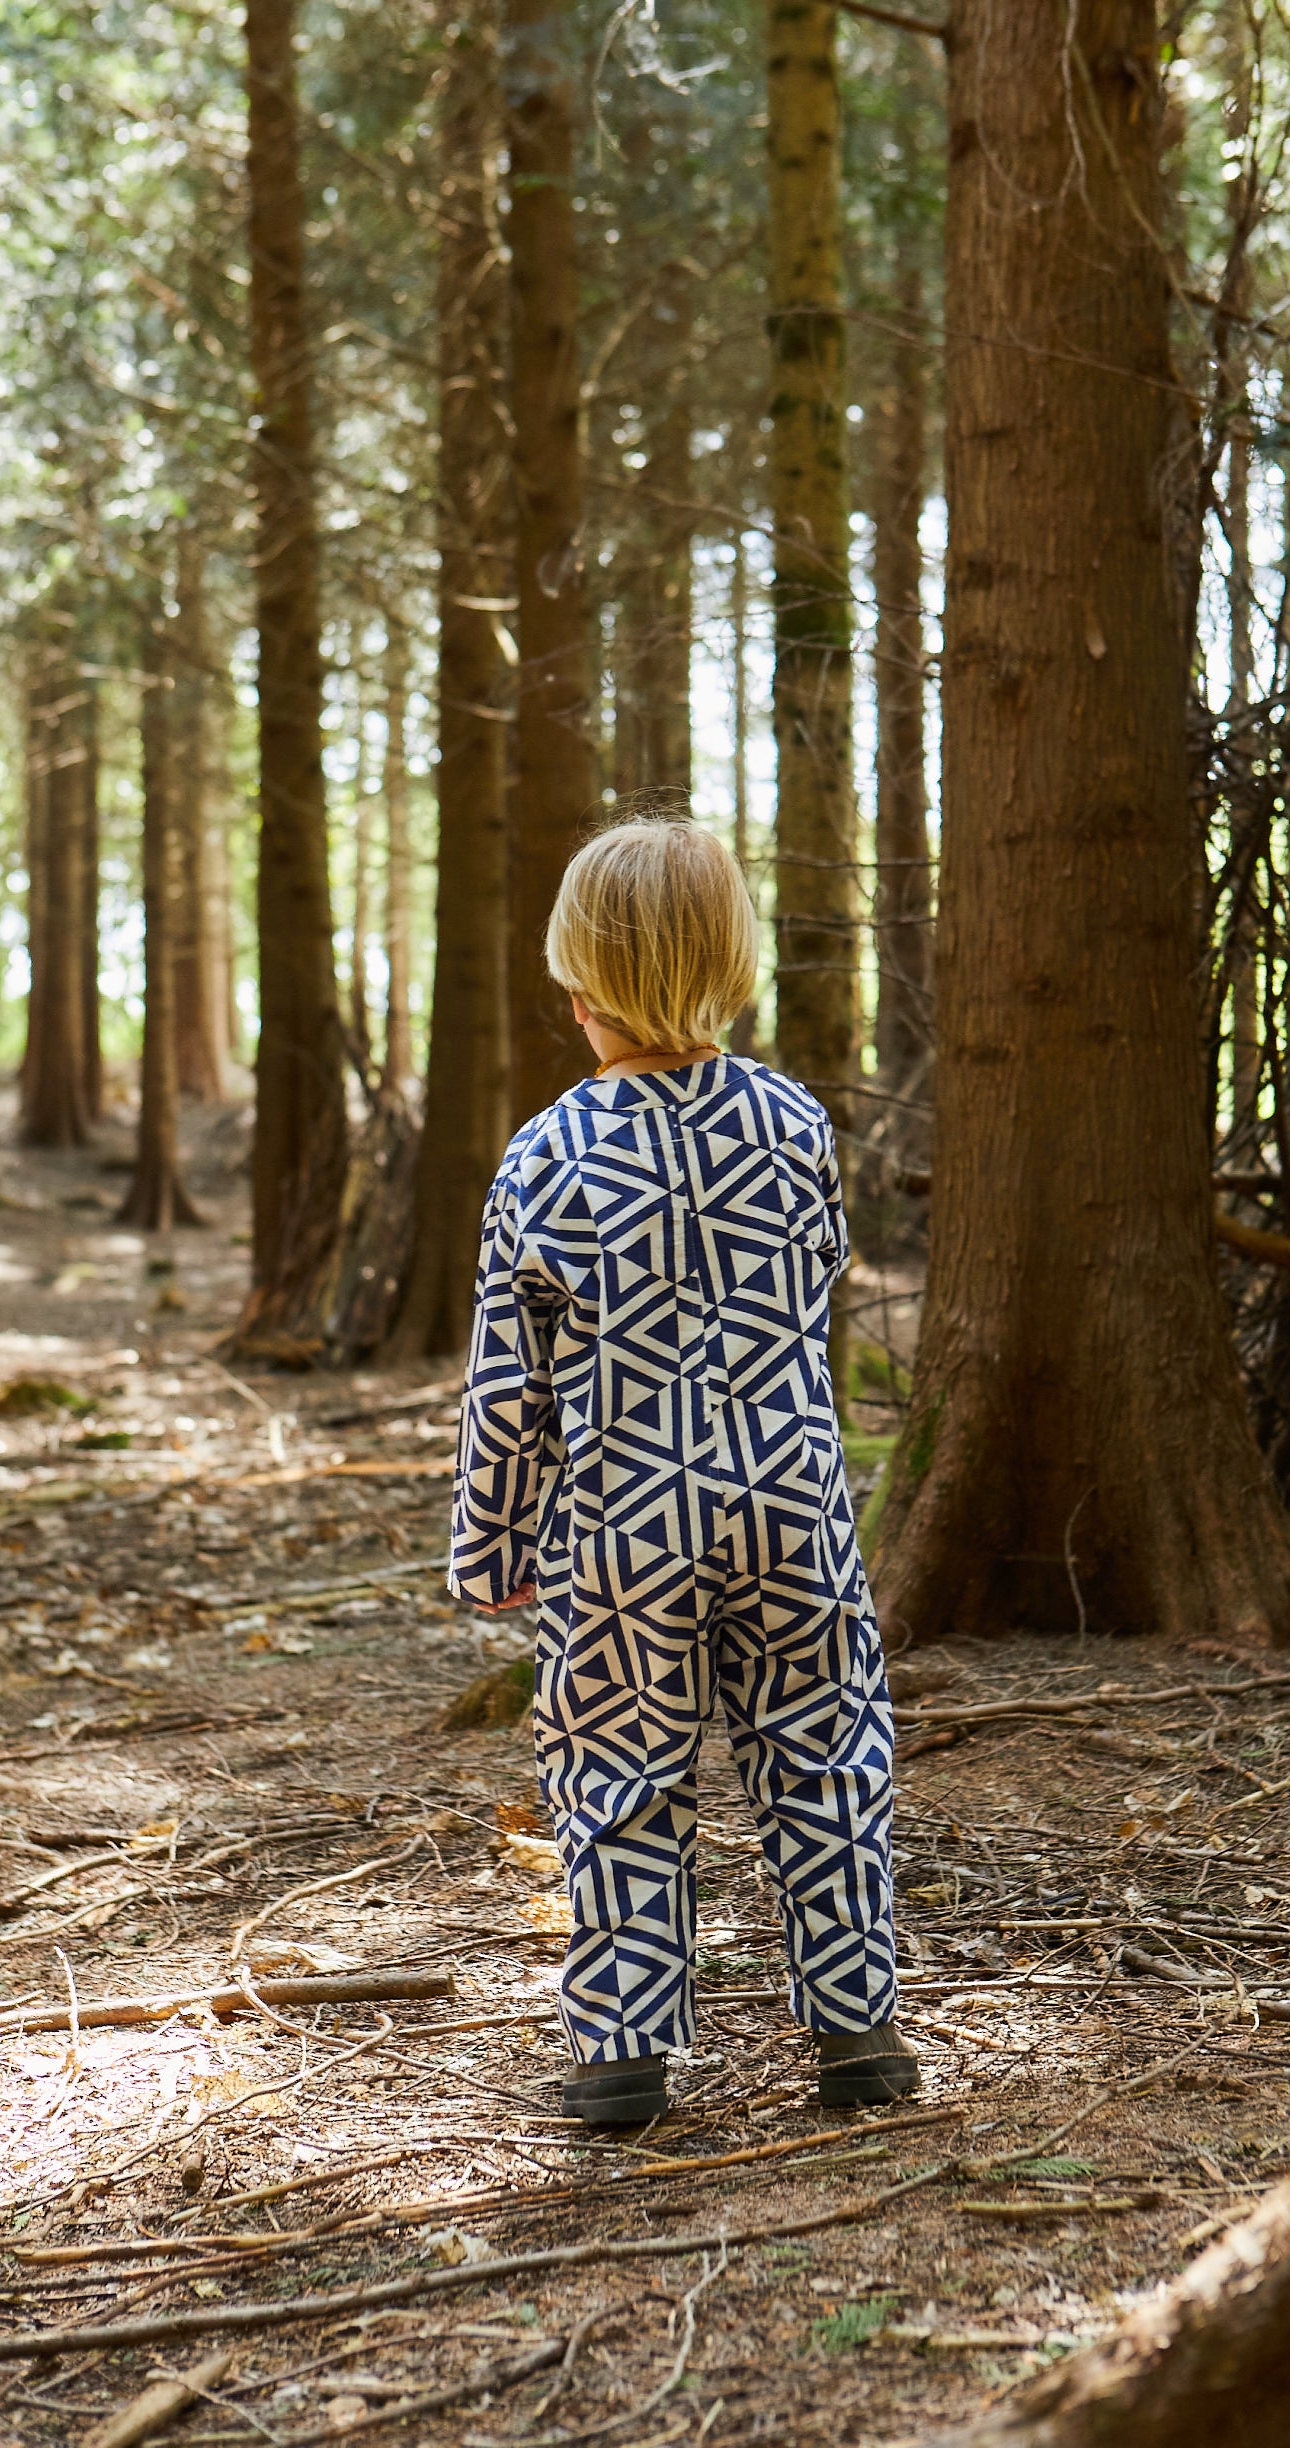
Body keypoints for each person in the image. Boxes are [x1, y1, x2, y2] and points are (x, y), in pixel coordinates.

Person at [448, 815, 918, 2128]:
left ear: (579, 982)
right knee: (826, 1754)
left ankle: (622, 2048)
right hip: (790, 1496)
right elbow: (814, 1290)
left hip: (621, 1523)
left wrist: (492, 1548)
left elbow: (512, 1383)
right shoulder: (792, 1125)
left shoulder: (548, 1155)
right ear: (734, 966)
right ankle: (857, 2030)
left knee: (620, 1771)